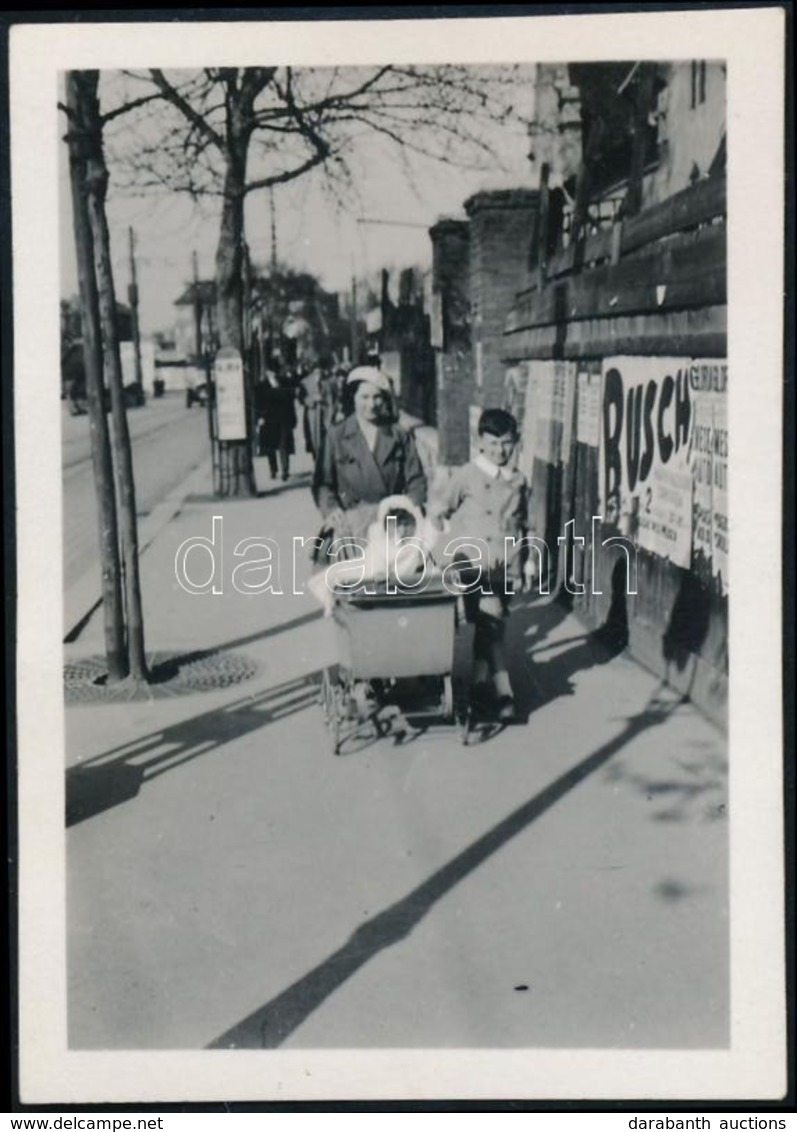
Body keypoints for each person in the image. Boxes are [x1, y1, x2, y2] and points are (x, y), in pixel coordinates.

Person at [432, 408, 531, 723]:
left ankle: (477, 686)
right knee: (492, 618)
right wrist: (449, 540)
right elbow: (440, 508)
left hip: (507, 566)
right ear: (480, 442)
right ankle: (504, 692)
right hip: (474, 564)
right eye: (493, 443)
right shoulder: (467, 474)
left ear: (515, 442)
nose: (500, 451)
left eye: (506, 443)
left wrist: (528, 562)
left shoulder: (518, 480)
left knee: (492, 627)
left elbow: (524, 523)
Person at [312, 365, 427, 547]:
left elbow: (416, 479)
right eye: (364, 397)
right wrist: (331, 509)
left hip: (393, 525)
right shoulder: (337, 435)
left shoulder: (398, 435)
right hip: (351, 527)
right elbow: (323, 483)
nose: (371, 404)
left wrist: (411, 509)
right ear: (353, 398)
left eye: (377, 397)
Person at [254, 360, 297, 482]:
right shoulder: (261, 387)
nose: (273, 374)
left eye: (275, 372)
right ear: (267, 373)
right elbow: (258, 404)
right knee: (270, 447)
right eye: (271, 372)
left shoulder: (285, 383)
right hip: (268, 420)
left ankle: (285, 470)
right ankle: (273, 469)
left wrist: (293, 419)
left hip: (283, 419)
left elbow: (290, 403)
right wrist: (259, 418)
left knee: (284, 446)